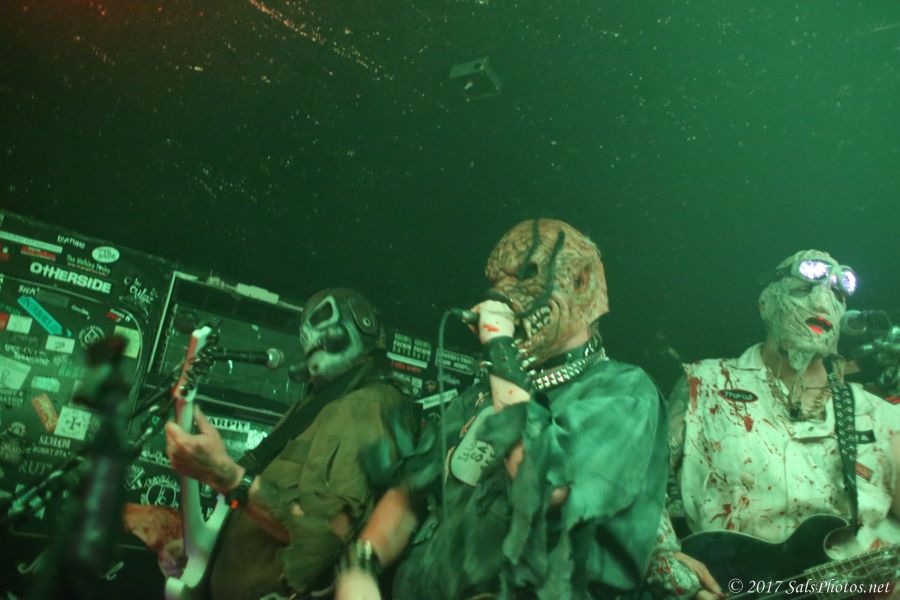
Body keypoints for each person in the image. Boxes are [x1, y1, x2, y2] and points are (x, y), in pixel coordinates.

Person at [336, 219, 670, 599]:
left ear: (581, 283)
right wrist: (360, 565)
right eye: (496, 282)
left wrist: (499, 346)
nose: (500, 296)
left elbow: (542, 487)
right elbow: (412, 490)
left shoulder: (624, 392)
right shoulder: (484, 392)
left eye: (527, 276)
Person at [651, 249, 900, 598]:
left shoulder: (879, 414)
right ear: (765, 304)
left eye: (837, 295)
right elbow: (638, 487)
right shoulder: (704, 384)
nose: (822, 303)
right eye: (803, 289)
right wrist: (666, 561)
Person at [165, 288, 415, 600]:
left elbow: (321, 534)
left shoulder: (366, 405)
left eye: (322, 316)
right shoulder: (319, 403)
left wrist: (228, 476)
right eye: (304, 324)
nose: (307, 331)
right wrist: (204, 548)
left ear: (363, 324)